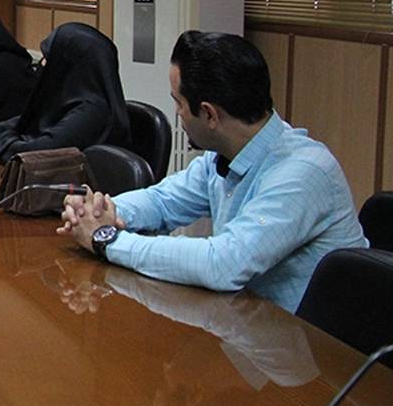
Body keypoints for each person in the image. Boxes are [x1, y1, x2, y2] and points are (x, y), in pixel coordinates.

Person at [56, 31, 368, 313]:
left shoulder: (303, 173)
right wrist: (98, 212)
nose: (177, 113)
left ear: (209, 114)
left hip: (309, 349)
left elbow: (223, 264)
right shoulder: (224, 155)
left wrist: (106, 239)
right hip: (246, 327)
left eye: (179, 103)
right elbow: (163, 201)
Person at [0, 22, 130, 162]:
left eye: (48, 57)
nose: (42, 63)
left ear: (68, 63)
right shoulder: (67, 98)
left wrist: (3, 140)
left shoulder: (91, 112)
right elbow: (22, 122)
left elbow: (35, 153)